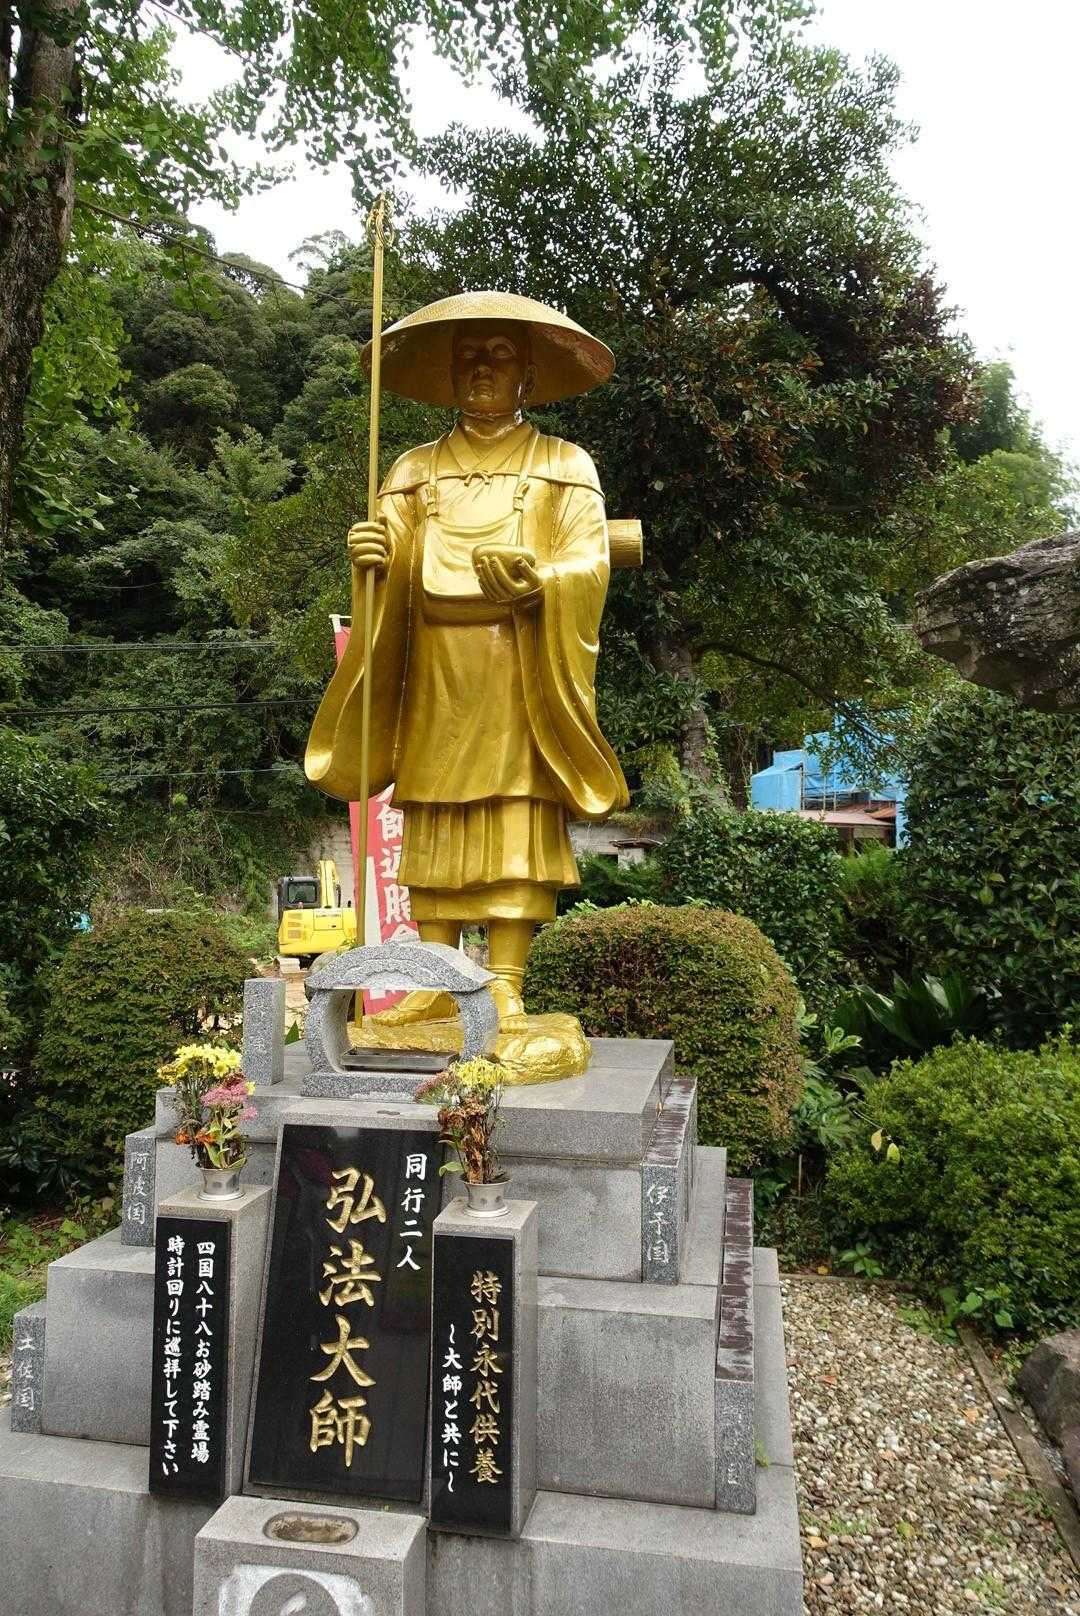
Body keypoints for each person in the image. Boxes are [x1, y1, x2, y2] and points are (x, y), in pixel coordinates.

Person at [305, 292, 628, 1030]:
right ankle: (433, 974)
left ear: (528, 376)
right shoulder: (413, 470)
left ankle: (505, 980)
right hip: (437, 667)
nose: (483, 368)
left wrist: (542, 580)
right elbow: (389, 567)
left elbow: (590, 559)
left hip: (519, 666)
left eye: (500, 356)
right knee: (435, 814)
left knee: (516, 812)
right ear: (449, 375)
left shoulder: (562, 464)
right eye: (469, 357)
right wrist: (374, 557)